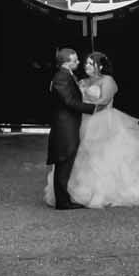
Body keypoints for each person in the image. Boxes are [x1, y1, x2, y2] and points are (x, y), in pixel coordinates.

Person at [43, 50, 139, 209]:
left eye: (90, 63)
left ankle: (108, 192)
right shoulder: (82, 81)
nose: (84, 65)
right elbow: (71, 100)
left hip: (104, 122)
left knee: (106, 156)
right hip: (85, 122)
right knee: (80, 158)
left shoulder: (108, 81)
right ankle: (74, 195)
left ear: (100, 66)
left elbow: (103, 102)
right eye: (84, 62)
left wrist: (90, 105)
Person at [44, 46, 101, 211]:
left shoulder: (67, 75)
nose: (78, 62)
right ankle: (62, 202)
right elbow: (69, 101)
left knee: (66, 161)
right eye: (75, 60)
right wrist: (92, 109)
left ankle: (63, 199)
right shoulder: (61, 77)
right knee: (64, 160)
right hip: (65, 126)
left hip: (68, 124)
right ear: (66, 63)